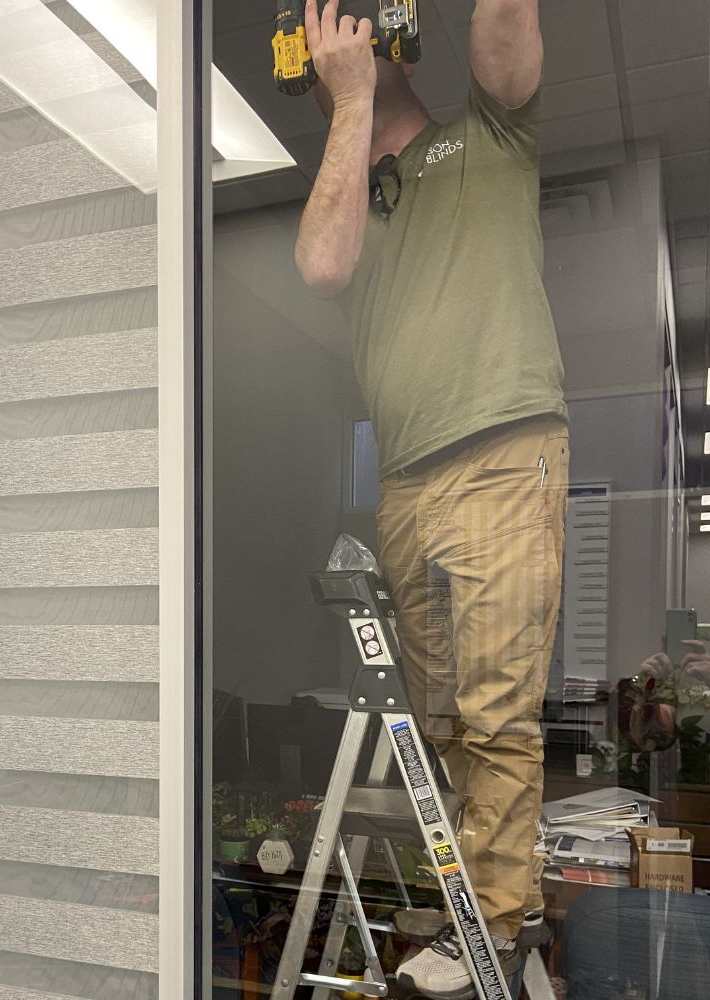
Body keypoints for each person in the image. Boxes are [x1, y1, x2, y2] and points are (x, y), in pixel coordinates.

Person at [295, 1, 569, 997]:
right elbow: (319, 266)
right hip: (406, 480)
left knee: (497, 711)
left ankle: (491, 924)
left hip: (502, 450)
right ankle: (495, 908)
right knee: (443, 717)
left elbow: (504, 21)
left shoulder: (488, 132)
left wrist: (374, 77)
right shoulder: (357, 198)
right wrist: (347, 104)